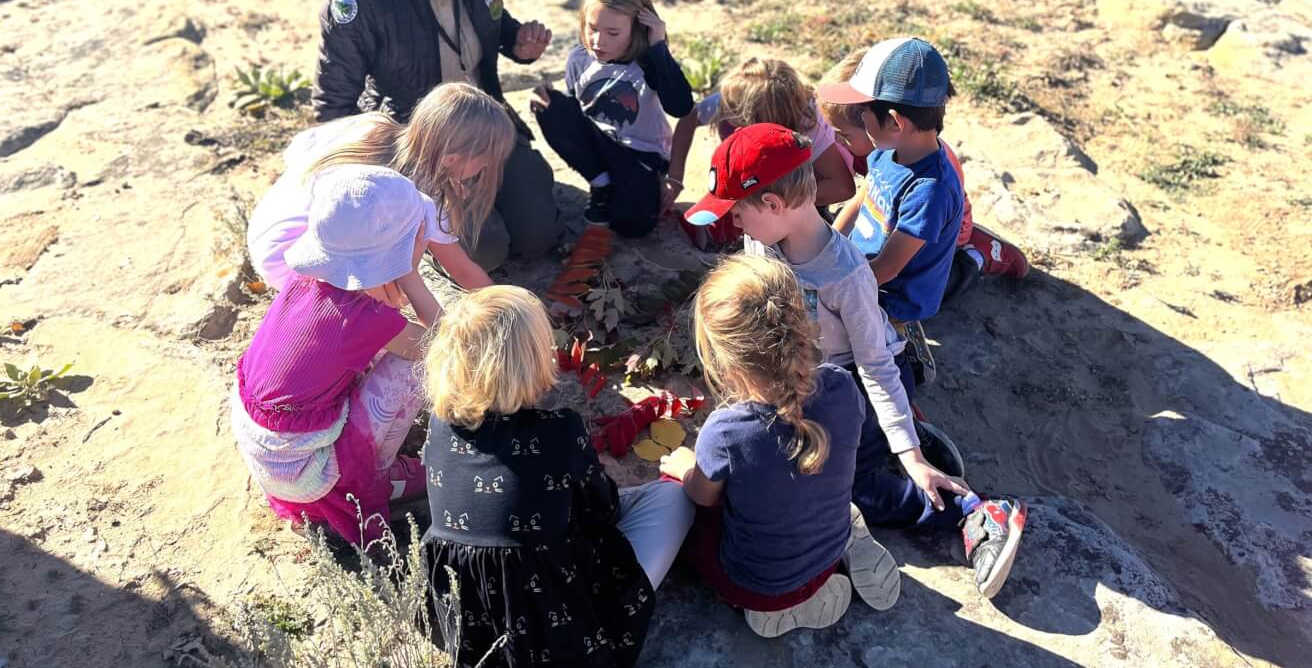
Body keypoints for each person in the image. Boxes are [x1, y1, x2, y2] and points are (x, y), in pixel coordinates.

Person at [680, 124, 1028, 600]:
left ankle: (968, 509)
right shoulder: (762, 241)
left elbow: (876, 366)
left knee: (845, 487)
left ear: (774, 205)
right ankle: (898, 430)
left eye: (738, 210)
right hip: (800, 373)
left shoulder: (847, 275)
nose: (734, 223)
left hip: (850, 380)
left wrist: (912, 458)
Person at [421, 286, 694, 667]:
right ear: (532, 360)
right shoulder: (559, 430)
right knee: (673, 499)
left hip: (471, 626)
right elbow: (605, 509)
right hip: (559, 627)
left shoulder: (439, 425)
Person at [310, 0, 558, 269]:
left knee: (538, 234)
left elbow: (487, 17)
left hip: (487, 125)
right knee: (487, 252)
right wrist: (391, 180)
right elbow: (333, 109)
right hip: (421, 148)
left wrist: (516, 42)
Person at [658, 254, 901, 637]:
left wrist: (685, 470)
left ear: (725, 361)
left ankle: (783, 609)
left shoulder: (725, 432)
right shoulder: (841, 385)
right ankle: (845, 549)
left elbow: (703, 498)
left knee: (680, 502)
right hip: (827, 550)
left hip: (758, 588)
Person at [231, 165, 442, 546]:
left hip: (267, 450)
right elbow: (442, 342)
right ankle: (375, 472)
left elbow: (379, 309)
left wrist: (394, 266)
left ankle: (356, 457)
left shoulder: (307, 280)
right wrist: (409, 273)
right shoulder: (362, 317)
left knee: (391, 351)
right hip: (307, 469)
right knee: (416, 364)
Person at [247, 83, 515, 292]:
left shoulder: (373, 125)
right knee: (387, 273)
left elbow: (297, 149)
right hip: (294, 269)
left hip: (267, 230)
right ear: (452, 158)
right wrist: (512, 311)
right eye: (484, 163)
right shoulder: (421, 196)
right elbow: (462, 271)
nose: (483, 171)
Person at [817, 53, 1029, 306]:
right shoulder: (886, 153)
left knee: (933, 284)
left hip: (898, 291)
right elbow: (863, 199)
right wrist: (829, 246)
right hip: (879, 251)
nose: (860, 119)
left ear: (895, 122)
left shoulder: (929, 192)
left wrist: (834, 287)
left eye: (862, 113)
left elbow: (886, 270)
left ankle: (976, 257)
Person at [531, 0, 693, 236]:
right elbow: (576, 115)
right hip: (599, 147)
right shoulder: (579, 59)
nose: (598, 41)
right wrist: (554, 108)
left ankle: (619, 188)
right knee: (549, 103)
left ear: (637, 28)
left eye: (613, 33)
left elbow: (681, 107)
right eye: (592, 28)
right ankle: (601, 184)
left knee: (633, 227)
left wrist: (658, 46)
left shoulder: (648, 62)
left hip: (640, 157)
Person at [667, 57, 853, 213]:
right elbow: (690, 118)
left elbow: (841, 187)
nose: (727, 114)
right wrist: (675, 177)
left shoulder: (809, 124)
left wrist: (776, 204)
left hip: (802, 191)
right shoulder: (736, 95)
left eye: (735, 115)